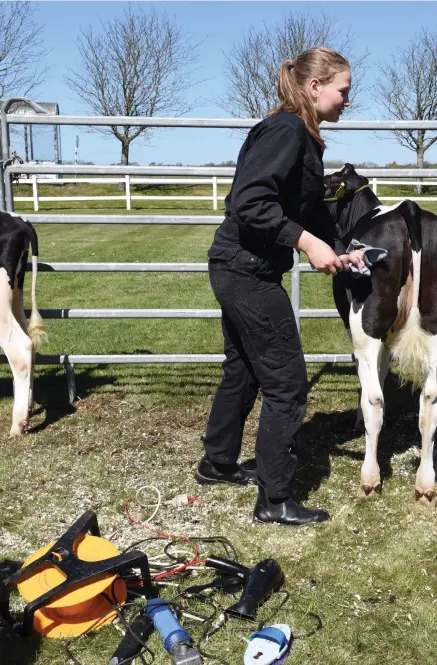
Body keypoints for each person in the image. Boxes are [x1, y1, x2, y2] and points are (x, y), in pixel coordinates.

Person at [195, 46, 365, 526]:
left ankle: (217, 463)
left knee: (244, 368)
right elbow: (248, 200)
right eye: (343, 91)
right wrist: (307, 243)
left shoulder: (303, 138)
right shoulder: (286, 130)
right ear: (315, 87)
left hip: (241, 266)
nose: (347, 100)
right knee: (287, 382)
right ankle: (274, 500)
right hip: (244, 269)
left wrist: (338, 246)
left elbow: (304, 208)